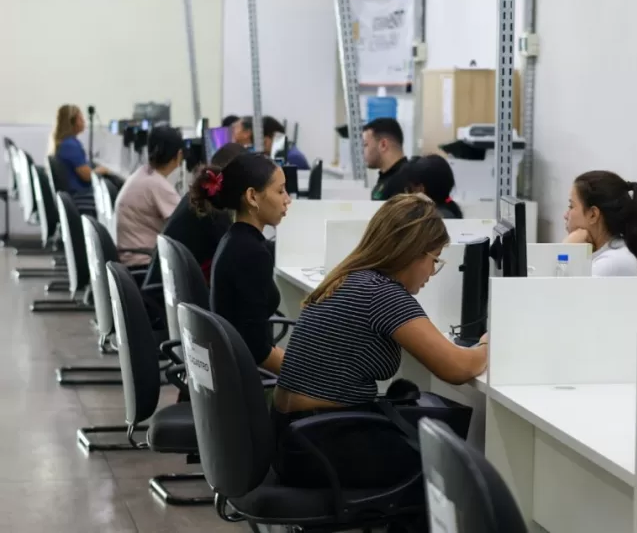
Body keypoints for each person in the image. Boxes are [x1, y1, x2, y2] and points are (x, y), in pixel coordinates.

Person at [272, 193, 488, 488]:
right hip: (321, 445)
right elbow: (457, 368)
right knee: (449, 464)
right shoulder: (381, 294)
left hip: (293, 435)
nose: (432, 272)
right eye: (434, 260)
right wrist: (488, 344)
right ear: (414, 252)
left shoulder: (349, 278)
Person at [190, 152, 290, 374]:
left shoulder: (235, 240)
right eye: (280, 191)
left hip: (234, 373)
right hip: (245, 381)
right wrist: (308, 374)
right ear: (252, 197)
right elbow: (258, 351)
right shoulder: (252, 254)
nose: (287, 199)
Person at [144, 142, 246, 286]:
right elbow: (238, 256)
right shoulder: (214, 210)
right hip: (168, 294)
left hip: (164, 291)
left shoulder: (198, 199)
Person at [563, 170, 637, 276]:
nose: (565, 215)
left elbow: (557, 285)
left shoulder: (610, 264)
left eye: (571, 206)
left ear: (593, 215)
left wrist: (566, 249)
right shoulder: (608, 257)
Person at [114, 126, 183, 266]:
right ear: (179, 155)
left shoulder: (143, 174)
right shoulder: (156, 184)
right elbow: (186, 221)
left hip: (131, 257)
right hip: (143, 262)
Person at [50, 104, 112, 200]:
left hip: (74, 195)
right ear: (71, 122)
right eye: (80, 118)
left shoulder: (65, 142)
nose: (84, 121)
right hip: (80, 196)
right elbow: (87, 176)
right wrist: (103, 170)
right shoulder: (70, 145)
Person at [403, 154, 463, 219]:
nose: (407, 195)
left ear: (420, 189)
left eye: (409, 189)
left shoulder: (429, 220)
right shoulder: (451, 211)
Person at [363, 118, 409, 200]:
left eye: (365, 145)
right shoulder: (386, 177)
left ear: (383, 145)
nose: (362, 151)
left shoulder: (403, 183)